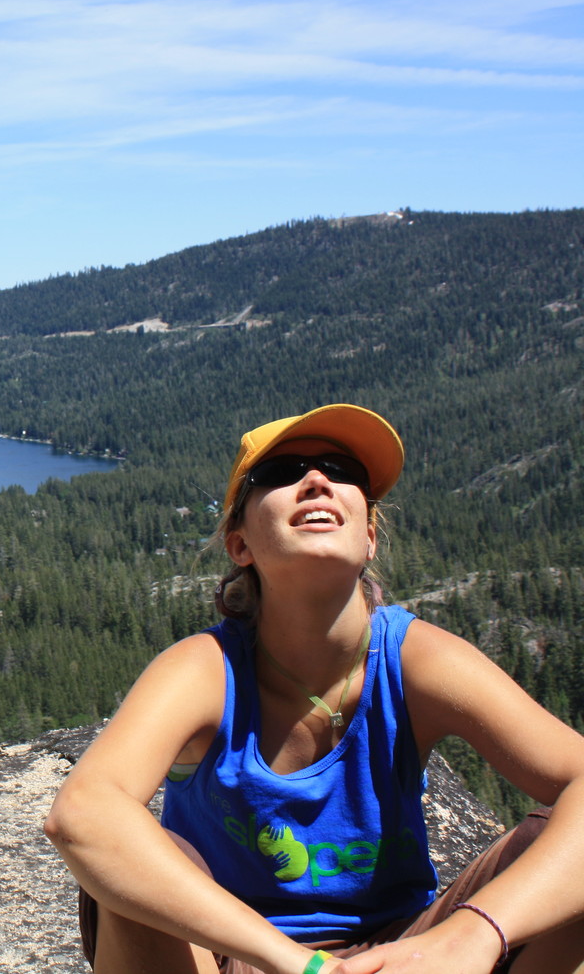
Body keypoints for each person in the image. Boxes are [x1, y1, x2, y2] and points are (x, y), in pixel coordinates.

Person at [44, 404, 584, 973]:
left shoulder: (415, 660)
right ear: (240, 545)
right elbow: (83, 814)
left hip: (405, 956)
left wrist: (471, 937)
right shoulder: (207, 670)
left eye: (342, 470)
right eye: (281, 473)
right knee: (131, 870)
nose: (317, 480)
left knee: (562, 855)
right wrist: (303, 965)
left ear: (369, 536)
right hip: (240, 955)